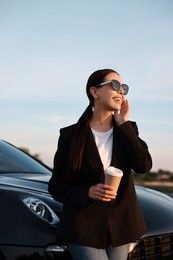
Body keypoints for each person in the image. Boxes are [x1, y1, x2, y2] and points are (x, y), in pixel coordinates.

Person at [48, 68, 152, 260]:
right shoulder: (70, 136)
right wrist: (87, 191)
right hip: (83, 226)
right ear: (94, 92)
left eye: (124, 88)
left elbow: (143, 166)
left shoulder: (127, 129)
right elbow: (56, 187)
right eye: (115, 85)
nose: (121, 91)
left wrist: (123, 124)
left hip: (121, 226)